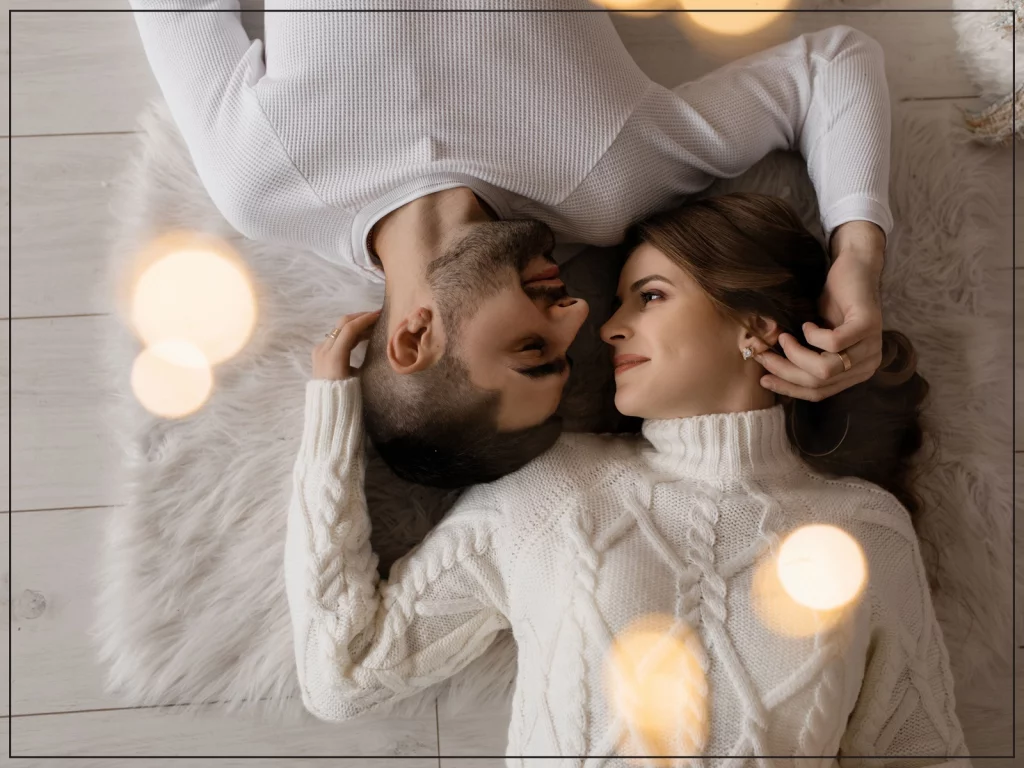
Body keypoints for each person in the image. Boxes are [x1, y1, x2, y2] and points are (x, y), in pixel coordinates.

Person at [284, 194, 967, 766]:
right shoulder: (547, 492)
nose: (608, 328)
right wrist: (332, 412)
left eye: (650, 296)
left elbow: (921, 752)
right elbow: (342, 674)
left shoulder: (867, 531)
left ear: (754, 327)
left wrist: (858, 258)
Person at [131, 2, 892, 487]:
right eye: (567, 353)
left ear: (413, 337)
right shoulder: (609, 183)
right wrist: (858, 260)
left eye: (533, 349)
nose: (575, 315)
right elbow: (832, 67)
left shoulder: (266, 182)